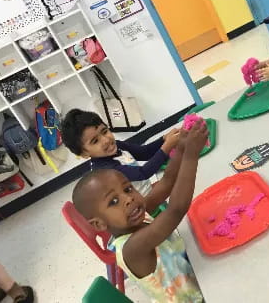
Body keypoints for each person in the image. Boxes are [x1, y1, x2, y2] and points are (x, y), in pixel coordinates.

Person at [72, 122, 208, 302]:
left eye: (128, 189)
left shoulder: (134, 216)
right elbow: (175, 210)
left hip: (197, 273)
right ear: (99, 223)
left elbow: (166, 183)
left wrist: (181, 148)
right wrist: (191, 155)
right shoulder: (131, 249)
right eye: (114, 201)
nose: (128, 199)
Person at [61, 109, 180, 196]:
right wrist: (166, 147)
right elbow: (143, 173)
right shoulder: (105, 170)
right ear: (84, 154)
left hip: (145, 192)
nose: (106, 140)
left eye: (104, 131)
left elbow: (145, 152)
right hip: (138, 209)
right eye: (95, 141)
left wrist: (164, 139)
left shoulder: (117, 146)